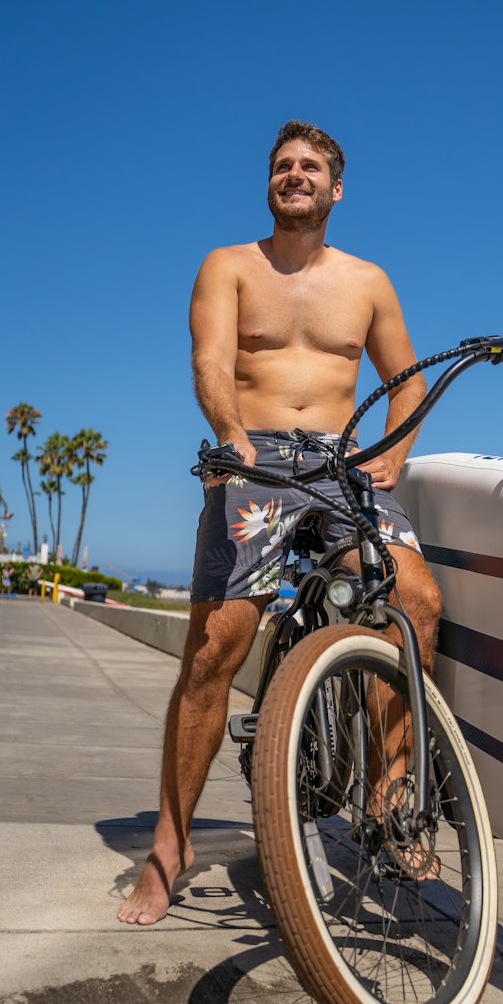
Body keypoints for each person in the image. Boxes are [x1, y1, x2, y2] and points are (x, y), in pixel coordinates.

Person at [118, 121, 441, 925]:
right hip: (253, 454)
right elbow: (209, 361)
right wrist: (232, 439)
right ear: (270, 184)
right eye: (281, 166)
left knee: (417, 599)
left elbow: (406, 380)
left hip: (339, 462)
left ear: (336, 189)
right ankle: (171, 842)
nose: (293, 175)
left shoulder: (368, 281)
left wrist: (392, 457)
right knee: (216, 646)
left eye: (310, 167)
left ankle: (387, 796)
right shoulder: (227, 266)